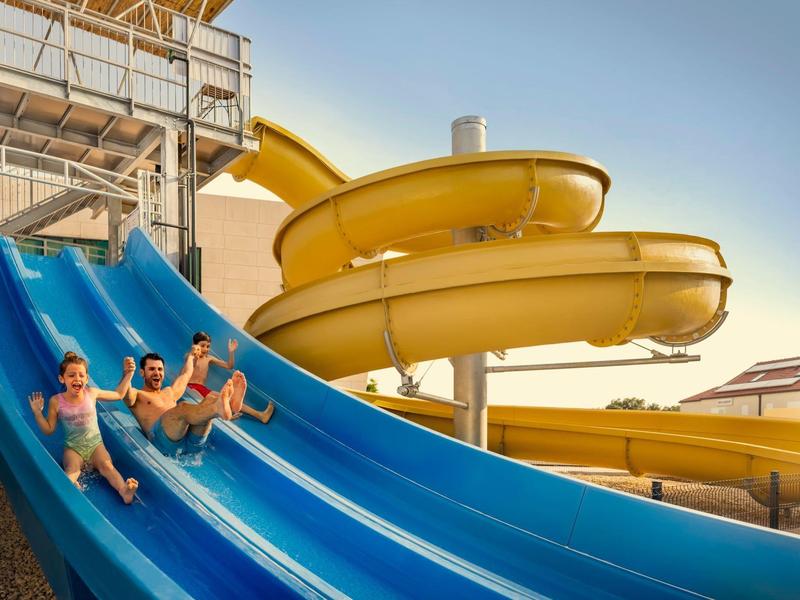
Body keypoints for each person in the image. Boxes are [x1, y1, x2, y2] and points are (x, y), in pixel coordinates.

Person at [29, 352, 139, 504]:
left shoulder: (92, 393)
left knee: (107, 466)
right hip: (73, 448)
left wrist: (129, 374)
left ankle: (124, 491)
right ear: (62, 379)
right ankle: (66, 488)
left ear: (87, 379)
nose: (77, 378)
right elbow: (49, 430)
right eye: (71, 375)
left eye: (81, 375)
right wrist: (37, 413)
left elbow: (119, 394)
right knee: (73, 470)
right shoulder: (56, 401)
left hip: (95, 445)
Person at [125, 346, 246, 456]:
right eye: (152, 369)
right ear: (142, 372)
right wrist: (127, 374)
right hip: (162, 443)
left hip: (191, 443)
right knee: (182, 407)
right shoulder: (138, 394)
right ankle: (221, 408)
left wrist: (191, 356)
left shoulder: (169, 391)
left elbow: (186, 374)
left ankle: (230, 405)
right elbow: (125, 394)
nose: (157, 373)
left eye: (160, 369)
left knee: (210, 399)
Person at [187, 332, 274, 424]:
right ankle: (257, 415)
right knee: (225, 399)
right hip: (192, 388)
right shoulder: (190, 356)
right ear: (194, 344)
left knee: (229, 399)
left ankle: (257, 415)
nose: (205, 349)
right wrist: (194, 354)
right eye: (202, 345)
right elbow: (190, 366)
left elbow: (229, 366)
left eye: (208, 346)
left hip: (202, 389)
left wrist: (231, 352)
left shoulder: (209, 358)